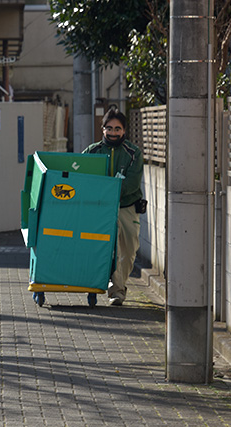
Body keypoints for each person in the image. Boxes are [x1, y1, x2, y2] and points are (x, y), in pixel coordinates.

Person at [82, 108, 144, 305]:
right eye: (109, 128)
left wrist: (104, 189)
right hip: (100, 210)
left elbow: (132, 184)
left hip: (127, 207)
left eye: (117, 128)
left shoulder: (133, 153)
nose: (113, 132)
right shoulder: (91, 151)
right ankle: (116, 291)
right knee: (111, 250)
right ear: (102, 129)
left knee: (129, 251)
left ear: (124, 130)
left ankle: (119, 284)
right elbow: (82, 177)